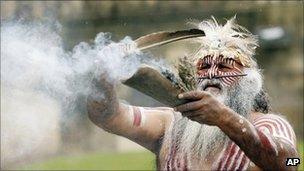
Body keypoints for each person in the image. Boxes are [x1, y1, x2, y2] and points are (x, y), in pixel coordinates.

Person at [87, 17, 299, 170]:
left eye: (225, 68)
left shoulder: (270, 125)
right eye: (204, 67)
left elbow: (293, 163)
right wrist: (102, 78)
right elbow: (108, 116)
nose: (212, 75)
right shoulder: (169, 124)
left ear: (249, 81)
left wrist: (224, 118)